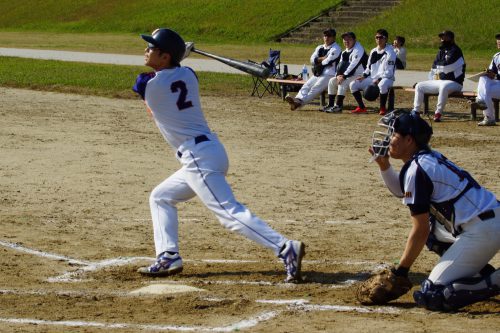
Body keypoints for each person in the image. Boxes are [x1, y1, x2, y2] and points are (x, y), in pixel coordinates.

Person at [132, 28, 305, 283]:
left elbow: (143, 81)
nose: (146, 51)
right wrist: (180, 57)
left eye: (152, 48)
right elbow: (176, 71)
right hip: (209, 151)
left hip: (197, 157)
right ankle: (168, 255)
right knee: (161, 197)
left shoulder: (149, 84)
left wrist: (181, 54)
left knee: (228, 213)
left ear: (166, 56)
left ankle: (284, 247)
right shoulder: (189, 75)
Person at [369, 110, 500, 311]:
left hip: (483, 231)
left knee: (433, 295)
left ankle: (495, 281)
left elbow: (419, 229)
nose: (389, 139)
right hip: (485, 223)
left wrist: (402, 270)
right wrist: (384, 165)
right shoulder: (424, 159)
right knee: (434, 234)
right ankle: (479, 273)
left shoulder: (417, 169)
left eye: (394, 134)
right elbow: (402, 192)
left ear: (409, 140)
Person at [411, 30, 466, 122]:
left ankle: (438, 113)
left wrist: (439, 66)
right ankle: (416, 111)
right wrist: (430, 80)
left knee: (444, 87)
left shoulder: (456, 51)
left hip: (455, 83)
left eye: (445, 37)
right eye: (441, 37)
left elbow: (448, 67)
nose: (442, 39)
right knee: (419, 86)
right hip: (439, 82)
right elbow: (433, 68)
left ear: (451, 38)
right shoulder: (441, 51)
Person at [285, 28, 342, 111]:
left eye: (329, 36)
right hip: (318, 72)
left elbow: (328, 61)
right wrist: (321, 59)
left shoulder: (336, 48)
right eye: (325, 35)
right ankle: (297, 100)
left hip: (330, 74)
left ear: (334, 37)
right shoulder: (320, 47)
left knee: (315, 88)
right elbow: (312, 59)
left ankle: (298, 103)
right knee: (306, 85)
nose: (326, 38)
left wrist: (318, 60)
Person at [349, 29, 397, 115]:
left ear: (386, 39)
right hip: (373, 78)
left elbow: (389, 71)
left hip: (387, 78)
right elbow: (368, 67)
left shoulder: (390, 52)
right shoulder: (373, 51)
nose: (379, 39)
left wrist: (379, 79)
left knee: (382, 84)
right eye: (377, 37)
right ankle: (361, 107)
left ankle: (382, 108)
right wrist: (364, 76)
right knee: (353, 84)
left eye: (381, 37)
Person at [323, 31, 368, 113]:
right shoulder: (345, 52)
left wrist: (343, 76)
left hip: (361, 75)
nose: (346, 41)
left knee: (343, 81)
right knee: (332, 81)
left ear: (354, 40)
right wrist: (337, 75)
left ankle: (338, 106)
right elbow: (339, 66)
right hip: (351, 75)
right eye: (344, 39)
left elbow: (353, 66)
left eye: (349, 39)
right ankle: (331, 104)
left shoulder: (358, 49)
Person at [473, 33, 500, 126]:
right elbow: (493, 72)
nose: (499, 41)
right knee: (484, 78)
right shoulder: (497, 56)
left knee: (484, 93)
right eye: (498, 39)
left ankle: (480, 100)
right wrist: (489, 73)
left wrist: (495, 76)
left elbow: (496, 76)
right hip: (498, 85)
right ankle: (489, 118)